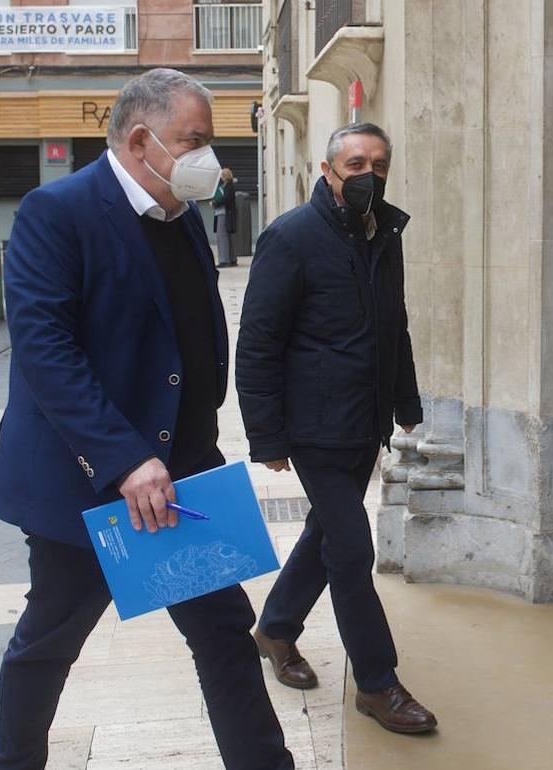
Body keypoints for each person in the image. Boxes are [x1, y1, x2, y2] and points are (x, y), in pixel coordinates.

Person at [0, 68, 294, 770]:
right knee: (49, 644)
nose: (209, 157)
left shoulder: (177, 216)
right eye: (196, 140)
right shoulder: (55, 212)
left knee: (222, 633)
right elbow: (44, 351)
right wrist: (123, 458)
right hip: (87, 484)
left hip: (177, 482)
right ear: (143, 139)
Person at [236, 122, 436, 735]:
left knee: (328, 534)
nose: (368, 174)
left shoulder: (386, 233)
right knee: (351, 551)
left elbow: (392, 325)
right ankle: (377, 684)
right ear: (328, 171)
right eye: (355, 163)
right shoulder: (291, 237)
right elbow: (258, 342)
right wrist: (267, 435)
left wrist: (406, 402)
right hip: (315, 426)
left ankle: (275, 630)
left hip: (365, 420)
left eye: (378, 163)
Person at [213, 167, 239, 266]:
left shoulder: (228, 187)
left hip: (224, 214)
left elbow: (225, 199)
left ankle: (224, 260)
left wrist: (215, 203)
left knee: (222, 237)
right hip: (226, 214)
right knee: (229, 237)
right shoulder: (228, 186)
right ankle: (232, 259)